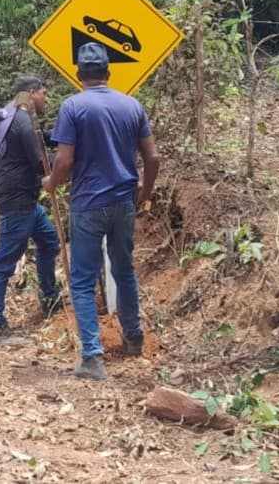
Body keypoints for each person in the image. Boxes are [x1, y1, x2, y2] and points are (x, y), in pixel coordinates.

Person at [42, 42, 160, 380]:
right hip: (124, 201)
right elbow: (152, 158)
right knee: (124, 271)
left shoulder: (73, 106)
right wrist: (144, 192)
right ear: (109, 73)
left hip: (88, 204)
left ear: (79, 75)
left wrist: (52, 182)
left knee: (81, 280)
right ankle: (134, 337)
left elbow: (64, 161)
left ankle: (92, 357)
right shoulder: (132, 105)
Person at [0, 75, 61, 343]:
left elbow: (42, 139)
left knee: (49, 241)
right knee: (5, 262)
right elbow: (41, 163)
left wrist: (68, 138)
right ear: (31, 93)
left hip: (24, 200)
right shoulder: (21, 121)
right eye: (44, 93)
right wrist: (73, 161)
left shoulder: (14, 114)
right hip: (18, 202)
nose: (47, 99)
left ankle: (50, 298)